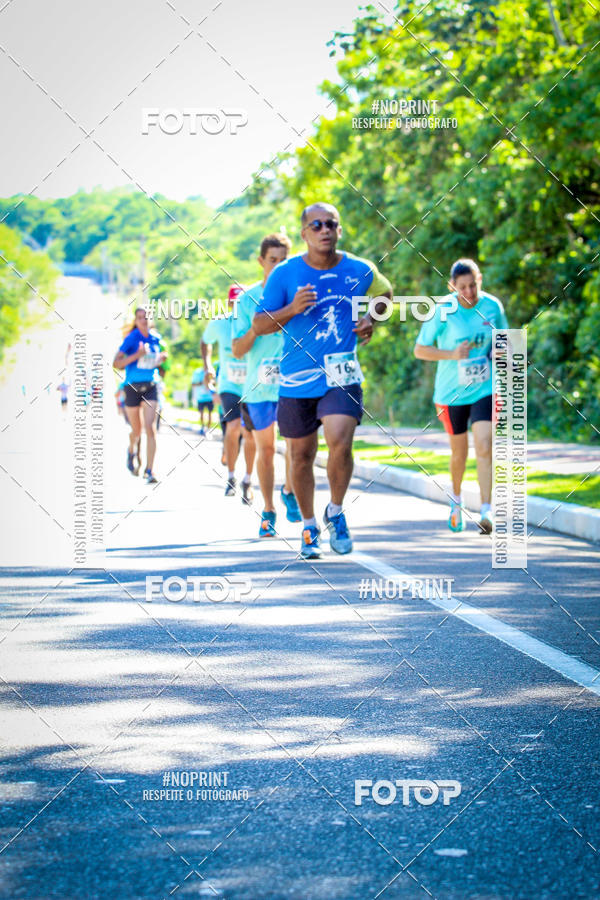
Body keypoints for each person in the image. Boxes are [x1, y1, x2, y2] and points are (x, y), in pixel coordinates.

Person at [254, 203, 392, 559]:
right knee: (300, 456)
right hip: (297, 379)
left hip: (340, 373)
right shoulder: (284, 274)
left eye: (331, 223)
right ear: (304, 234)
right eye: (316, 225)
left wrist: (370, 318)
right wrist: (291, 309)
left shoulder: (360, 269)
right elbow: (260, 325)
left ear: (339, 230)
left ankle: (336, 509)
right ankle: (310, 526)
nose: (324, 229)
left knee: (340, 441)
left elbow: (386, 296)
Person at [414, 258, 508, 534]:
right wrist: (452, 354)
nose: (469, 292)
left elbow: (503, 339)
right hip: (451, 393)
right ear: (452, 286)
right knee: (459, 451)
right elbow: (420, 350)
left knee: (485, 445)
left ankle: (487, 509)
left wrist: (502, 355)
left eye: (473, 285)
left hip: (485, 387)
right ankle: (456, 502)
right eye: (462, 287)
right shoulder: (443, 310)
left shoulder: (492, 306)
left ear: (480, 279)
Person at [232, 233, 302, 537]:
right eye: (272, 260)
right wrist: (256, 329)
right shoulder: (248, 300)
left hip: (293, 382)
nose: (277, 266)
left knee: (295, 447)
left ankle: (289, 489)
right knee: (267, 448)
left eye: (283, 261)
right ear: (261, 261)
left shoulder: (298, 296)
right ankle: (269, 508)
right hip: (259, 387)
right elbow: (237, 349)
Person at [202, 286, 256, 503]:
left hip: (252, 385)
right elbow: (205, 342)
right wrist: (207, 367)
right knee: (234, 427)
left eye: (241, 303)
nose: (236, 307)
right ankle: (231, 476)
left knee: (250, 434)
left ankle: (248, 479)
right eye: (234, 303)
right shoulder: (219, 323)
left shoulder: (256, 322)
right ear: (228, 304)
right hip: (229, 385)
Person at [113, 306, 167, 484]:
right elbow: (117, 363)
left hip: (151, 385)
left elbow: (160, 359)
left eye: (146, 317)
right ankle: (131, 450)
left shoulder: (156, 338)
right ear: (136, 321)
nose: (144, 320)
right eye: (140, 318)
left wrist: (161, 359)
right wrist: (137, 355)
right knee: (137, 430)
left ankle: (150, 470)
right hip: (132, 387)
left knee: (150, 428)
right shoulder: (131, 339)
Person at [191, 366, 215, 435]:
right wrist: (202, 382)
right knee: (201, 413)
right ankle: (202, 427)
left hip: (210, 397)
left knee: (210, 413)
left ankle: (208, 429)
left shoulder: (211, 371)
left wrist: (209, 382)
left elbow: (215, 382)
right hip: (200, 397)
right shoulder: (197, 372)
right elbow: (193, 383)